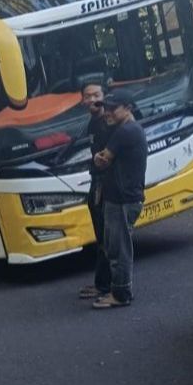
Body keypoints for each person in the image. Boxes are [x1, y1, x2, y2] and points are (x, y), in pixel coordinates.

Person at [91, 90, 148, 309]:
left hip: (123, 199)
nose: (107, 113)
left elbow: (103, 160)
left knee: (119, 248)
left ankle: (121, 293)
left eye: (113, 108)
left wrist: (98, 158)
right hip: (121, 197)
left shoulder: (126, 131)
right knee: (114, 246)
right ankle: (116, 289)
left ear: (128, 108)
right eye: (107, 107)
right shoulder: (127, 129)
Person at [77, 82, 115, 300]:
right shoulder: (92, 123)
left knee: (107, 237)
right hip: (96, 183)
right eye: (87, 96)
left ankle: (109, 286)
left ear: (104, 96)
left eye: (96, 95)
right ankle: (101, 283)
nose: (92, 100)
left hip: (105, 185)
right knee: (100, 236)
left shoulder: (109, 122)